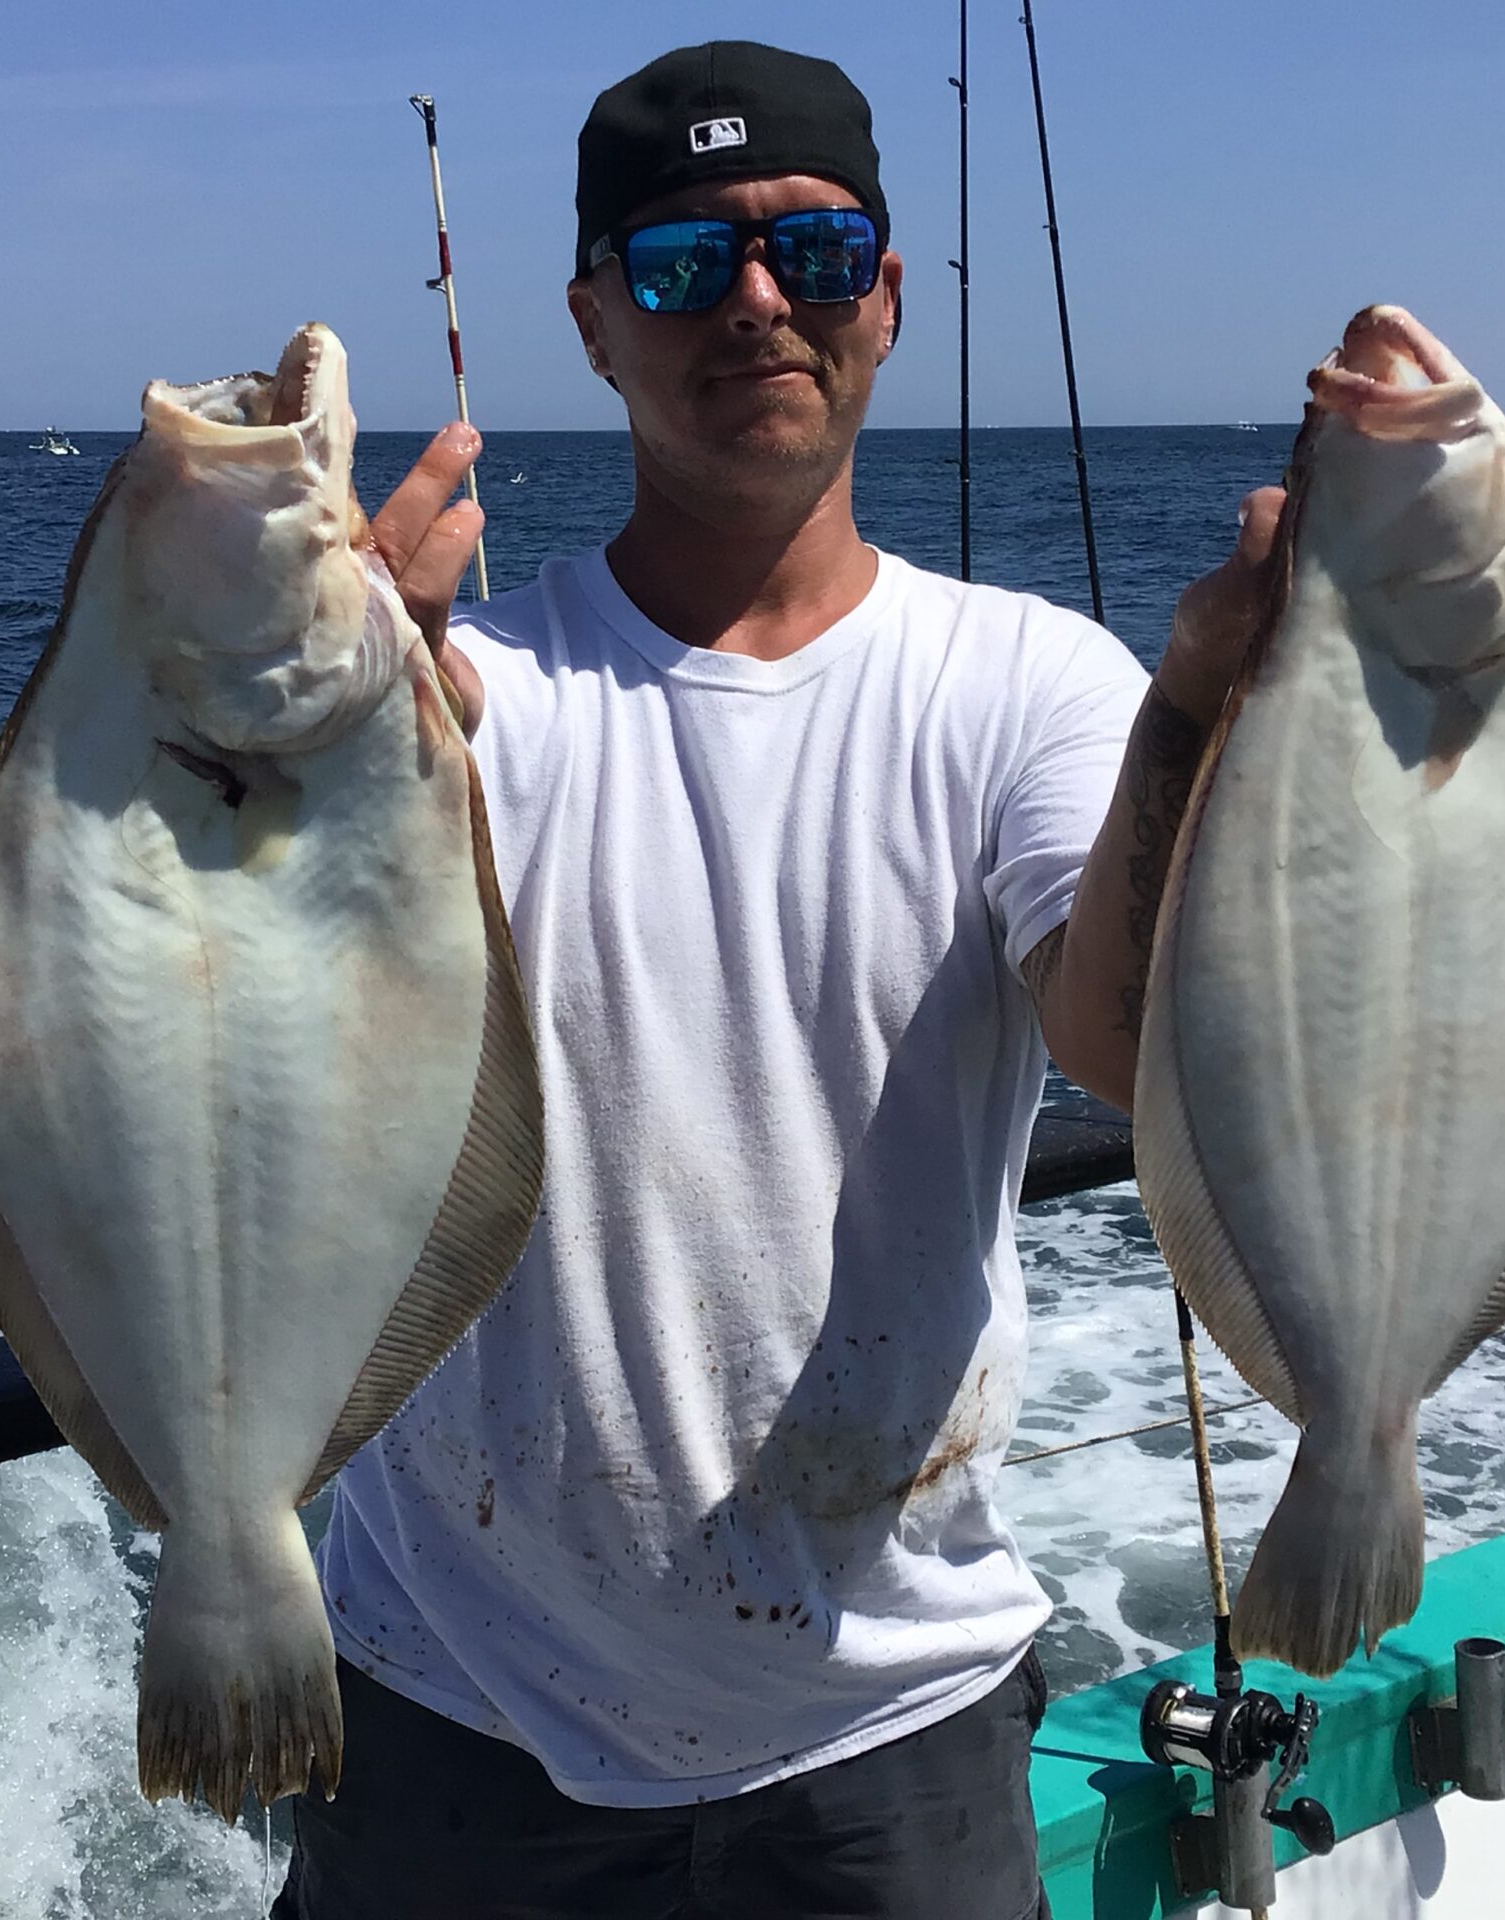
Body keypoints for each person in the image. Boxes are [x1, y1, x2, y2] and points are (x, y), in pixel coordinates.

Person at [277, 40, 1281, 1919]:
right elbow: (245, 1065)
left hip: (892, 1730)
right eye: (679, 266)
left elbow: (1133, 1047)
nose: (755, 303)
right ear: (592, 321)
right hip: (451, 1715)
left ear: (887, 298)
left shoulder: (1035, 687)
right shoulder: (459, 710)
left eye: (813, 254)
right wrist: (313, 736)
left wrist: (1206, 710)